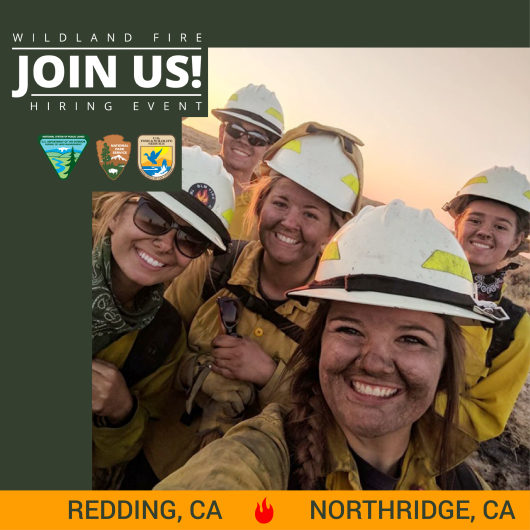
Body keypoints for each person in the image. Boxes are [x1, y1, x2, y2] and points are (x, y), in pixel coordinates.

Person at [155, 200, 495, 491]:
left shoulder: (464, 486)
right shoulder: (261, 455)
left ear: (447, 362)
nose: (375, 363)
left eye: (411, 339)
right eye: (350, 330)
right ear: (318, 342)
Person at [143, 122, 365, 482]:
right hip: (155, 459)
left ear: (330, 233)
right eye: (280, 203)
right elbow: (154, 344)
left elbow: (334, 420)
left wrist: (269, 375)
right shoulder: (215, 266)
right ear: (260, 205)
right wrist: (194, 371)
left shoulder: (333, 318)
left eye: (310, 214)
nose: (289, 222)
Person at [91, 146, 235, 489]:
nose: (166, 244)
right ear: (116, 214)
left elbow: (122, 452)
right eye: (154, 217)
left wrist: (122, 411)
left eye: (190, 240)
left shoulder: (164, 337)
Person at [438, 166, 530, 441]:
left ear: (516, 240)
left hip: (428, 450)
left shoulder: (516, 328)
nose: (484, 232)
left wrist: (408, 402)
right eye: (475, 220)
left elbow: (485, 416)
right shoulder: (407, 281)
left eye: (500, 226)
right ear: (458, 224)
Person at [212, 84, 285, 240]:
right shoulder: (185, 169)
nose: (244, 141)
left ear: (268, 151)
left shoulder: (265, 209)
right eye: (236, 129)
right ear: (221, 133)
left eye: (256, 138)